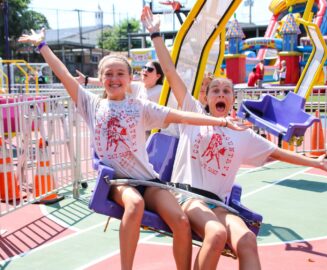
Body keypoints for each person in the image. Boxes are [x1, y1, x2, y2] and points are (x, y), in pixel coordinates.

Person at [19, 28, 246, 270]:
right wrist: (42, 46)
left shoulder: (140, 106)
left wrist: (220, 121)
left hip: (149, 181)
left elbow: (183, 116)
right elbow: (62, 74)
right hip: (120, 182)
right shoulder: (92, 104)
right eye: (108, 74)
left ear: (129, 79)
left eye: (120, 74)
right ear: (100, 77)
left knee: (181, 221)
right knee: (134, 204)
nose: (114, 79)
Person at [141, 6, 327, 270]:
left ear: (233, 100)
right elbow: (170, 73)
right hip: (187, 197)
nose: (221, 94)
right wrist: (156, 34)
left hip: (217, 204)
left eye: (226, 91)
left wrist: (317, 163)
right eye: (215, 90)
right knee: (216, 234)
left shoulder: (243, 134)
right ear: (206, 98)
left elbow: (277, 153)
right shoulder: (193, 113)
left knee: (246, 238)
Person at [76, 60, 164, 103]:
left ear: (158, 76)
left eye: (149, 69)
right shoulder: (138, 86)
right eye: (144, 67)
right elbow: (113, 83)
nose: (145, 70)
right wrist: (86, 80)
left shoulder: (162, 90)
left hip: (156, 132)